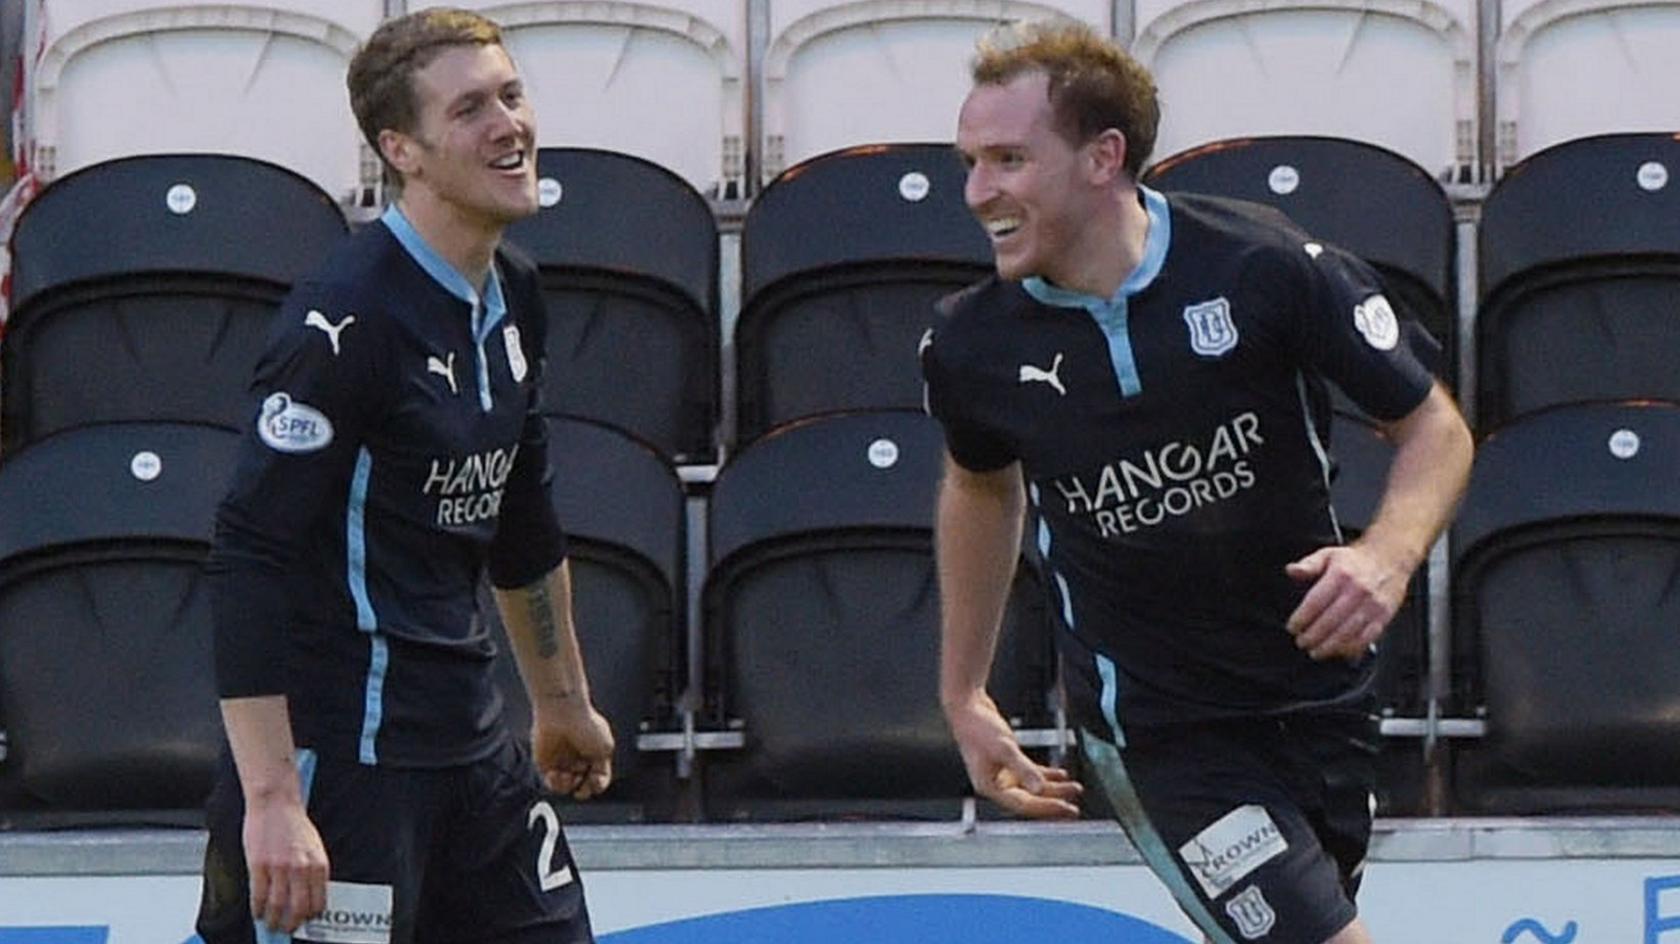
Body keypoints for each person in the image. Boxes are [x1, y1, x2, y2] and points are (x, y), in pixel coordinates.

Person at [922, 19, 1473, 944]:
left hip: (1317, 694)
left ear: (1104, 157)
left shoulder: (1265, 268)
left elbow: (1434, 428)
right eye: (970, 163)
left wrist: (1386, 556)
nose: (980, 194)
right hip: (1160, 729)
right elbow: (980, 489)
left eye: (1009, 160)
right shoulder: (972, 344)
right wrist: (963, 693)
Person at [195, 9, 612, 942]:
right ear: (402, 150)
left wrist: (561, 704)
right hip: (338, 771)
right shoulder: (342, 324)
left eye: (511, 94)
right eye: (470, 109)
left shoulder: (516, 291)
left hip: (473, 756)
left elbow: (522, 516)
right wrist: (270, 798)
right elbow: (248, 554)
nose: (510, 124)